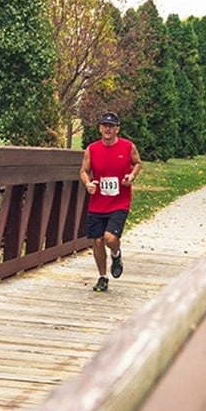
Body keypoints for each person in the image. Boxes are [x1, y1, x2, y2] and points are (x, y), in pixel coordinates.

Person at [79, 112, 142, 292]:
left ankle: (116, 253)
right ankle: (102, 277)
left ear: (117, 129)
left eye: (111, 126)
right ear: (100, 128)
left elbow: (137, 163)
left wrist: (132, 176)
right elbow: (83, 170)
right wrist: (88, 183)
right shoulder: (92, 149)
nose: (108, 129)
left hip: (119, 201)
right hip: (98, 202)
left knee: (110, 238)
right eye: (104, 125)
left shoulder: (128, 147)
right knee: (97, 241)